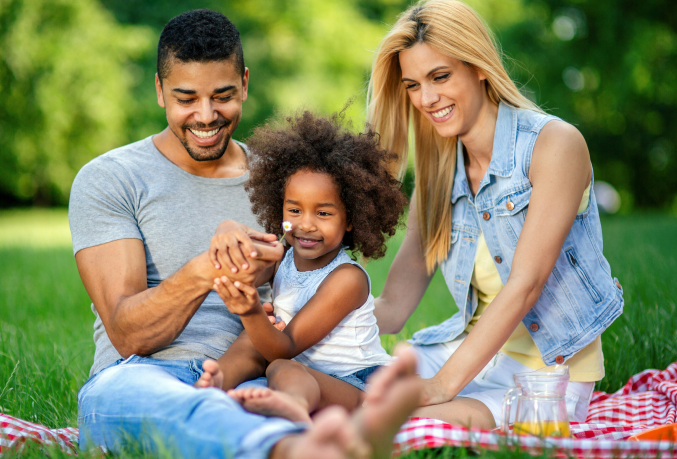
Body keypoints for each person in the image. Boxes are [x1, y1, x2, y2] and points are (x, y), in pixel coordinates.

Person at [69, 9, 420, 459]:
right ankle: (285, 448)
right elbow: (127, 334)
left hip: (258, 374)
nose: (206, 114)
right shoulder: (111, 179)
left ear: (245, 85)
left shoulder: (287, 187)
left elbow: (313, 295)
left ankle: (282, 440)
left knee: (280, 391)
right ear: (159, 90)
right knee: (120, 401)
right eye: (186, 98)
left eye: (223, 96)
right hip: (147, 375)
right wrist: (208, 271)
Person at [366, 0, 624, 429]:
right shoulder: (438, 174)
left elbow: (526, 284)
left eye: (440, 76)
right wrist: (308, 322)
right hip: (466, 354)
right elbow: (392, 308)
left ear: (479, 66)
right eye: (412, 85)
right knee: (341, 386)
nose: (426, 99)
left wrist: (440, 387)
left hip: (546, 377)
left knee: (392, 419)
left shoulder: (554, 144)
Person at [193, 111, 407, 423]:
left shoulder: (347, 279)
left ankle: (291, 405)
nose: (305, 225)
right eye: (294, 209)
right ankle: (211, 384)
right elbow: (245, 271)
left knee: (279, 366)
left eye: (323, 213)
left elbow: (285, 348)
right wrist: (229, 236)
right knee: (252, 340)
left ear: (351, 219)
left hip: (363, 387)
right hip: (310, 373)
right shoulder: (283, 254)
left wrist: (251, 311)